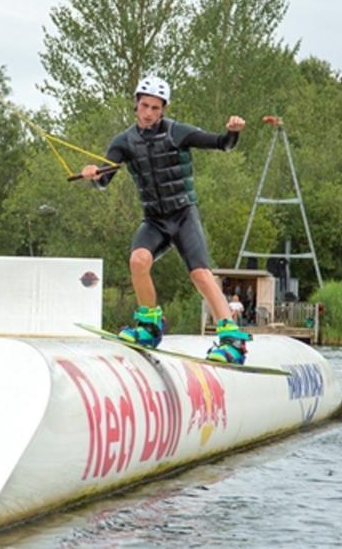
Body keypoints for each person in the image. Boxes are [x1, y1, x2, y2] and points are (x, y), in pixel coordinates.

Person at [80, 75, 249, 364]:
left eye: (156, 108)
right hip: (155, 221)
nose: (149, 113)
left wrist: (232, 132)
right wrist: (94, 176)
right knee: (138, 260)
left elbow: (222, 144)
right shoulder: (123, 142)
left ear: (164, 109)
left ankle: (232, 339)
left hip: (183, 214)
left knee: (200, 274)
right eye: (144, 106)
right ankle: (149, 325)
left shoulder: (176, 133)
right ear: (135, 104)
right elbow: (105, 178)